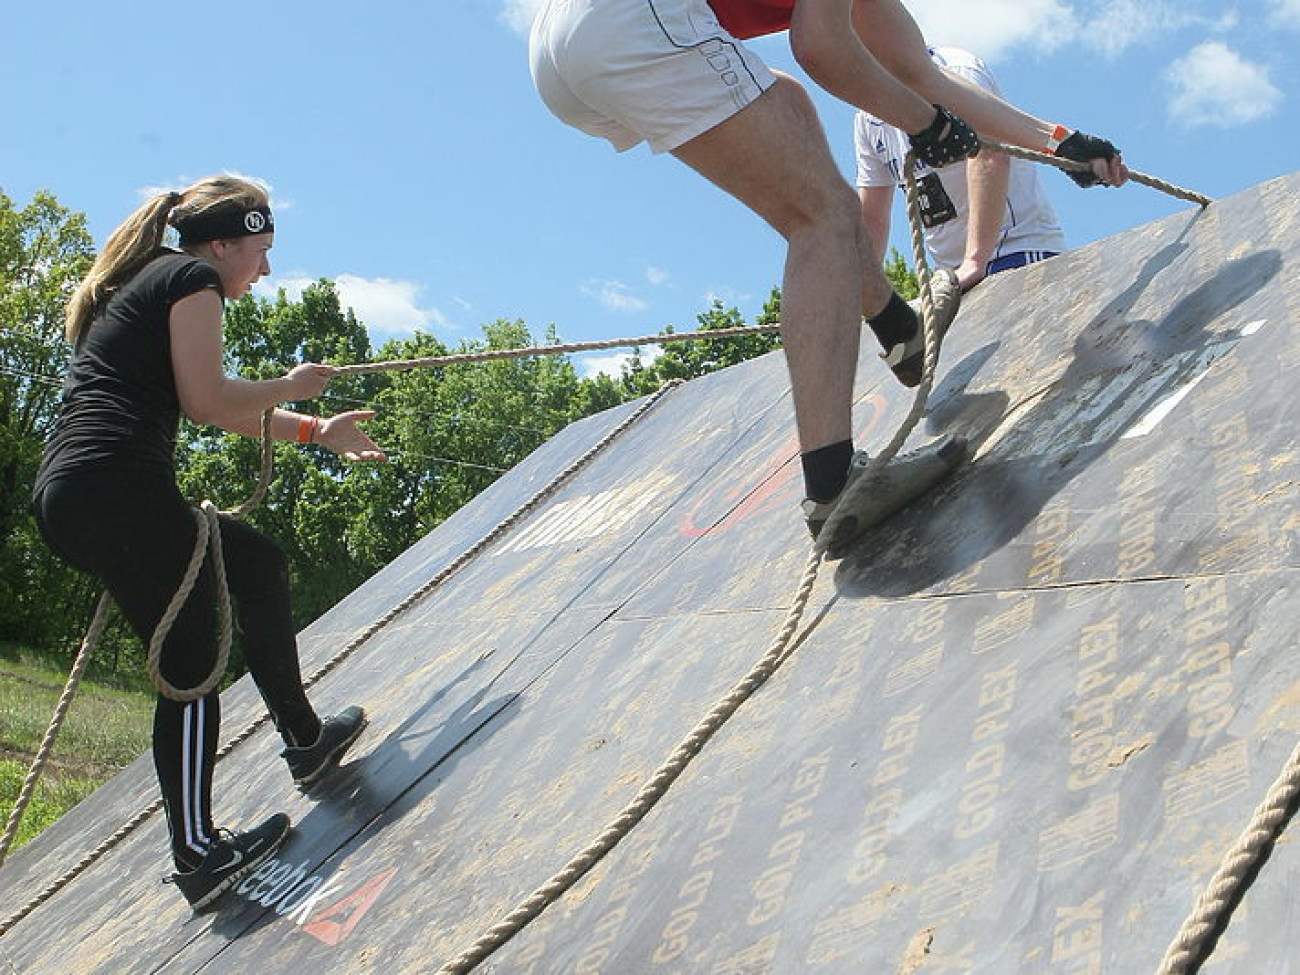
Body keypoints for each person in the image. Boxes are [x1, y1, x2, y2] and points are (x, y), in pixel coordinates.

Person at [529, 0, 1127, 557]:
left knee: (784, 104)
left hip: (565, 47)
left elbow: (914, 68)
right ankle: (832, 481)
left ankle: (897, 324)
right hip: (636, 21)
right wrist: (926, 126)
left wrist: (1059, 141)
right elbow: (822, 50)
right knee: (822, 218)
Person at [31, 175, 384, 911]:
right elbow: (209, 399)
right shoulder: (191, 278)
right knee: (192, 666)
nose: (266, 268)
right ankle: (197, 853)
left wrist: (317, 431)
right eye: (261, 250)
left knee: (257, 564)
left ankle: (305, 738)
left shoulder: (153, 276)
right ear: (222, 243)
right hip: (114, 488)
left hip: (86, 491)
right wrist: (289, 385)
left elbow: (218, 408)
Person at [856, 46, 1067, 294]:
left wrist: (974, 263)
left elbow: (989, 155)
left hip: (1015, 251)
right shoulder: (868, 118)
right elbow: (872, 217)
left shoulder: (957, 72)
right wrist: (858, 294)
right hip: (951, 276)